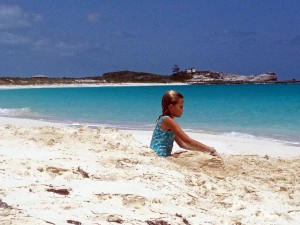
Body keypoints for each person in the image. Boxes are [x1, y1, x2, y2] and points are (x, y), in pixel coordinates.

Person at [150, 90, 219, 157]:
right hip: (160, 156)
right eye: (180, 107)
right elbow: (188, 141)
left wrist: (202, 150)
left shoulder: (164, 119)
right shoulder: (168, 120)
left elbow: (182, 144)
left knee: (183, 154)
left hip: (158, 154)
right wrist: (211, 150)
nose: (183, 109)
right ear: (171, 106)